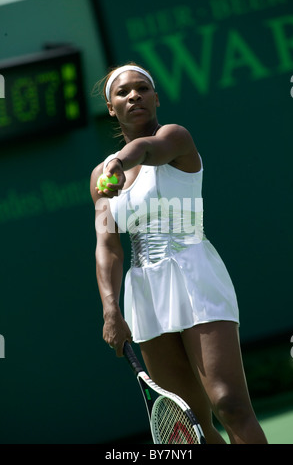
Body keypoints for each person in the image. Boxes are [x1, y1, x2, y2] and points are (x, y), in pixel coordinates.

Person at [90, 62, 267, 444]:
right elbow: (108, 244)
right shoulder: (99, 177)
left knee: (230, 403)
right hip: (145, 294)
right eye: (122, 92)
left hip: (194, 274)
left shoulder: (175, 138)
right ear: (111, 107)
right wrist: (111, 310)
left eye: (142, 89)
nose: (133, 95)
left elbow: (147, 149)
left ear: (157, 98)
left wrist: (120, 162)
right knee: (189, 429)